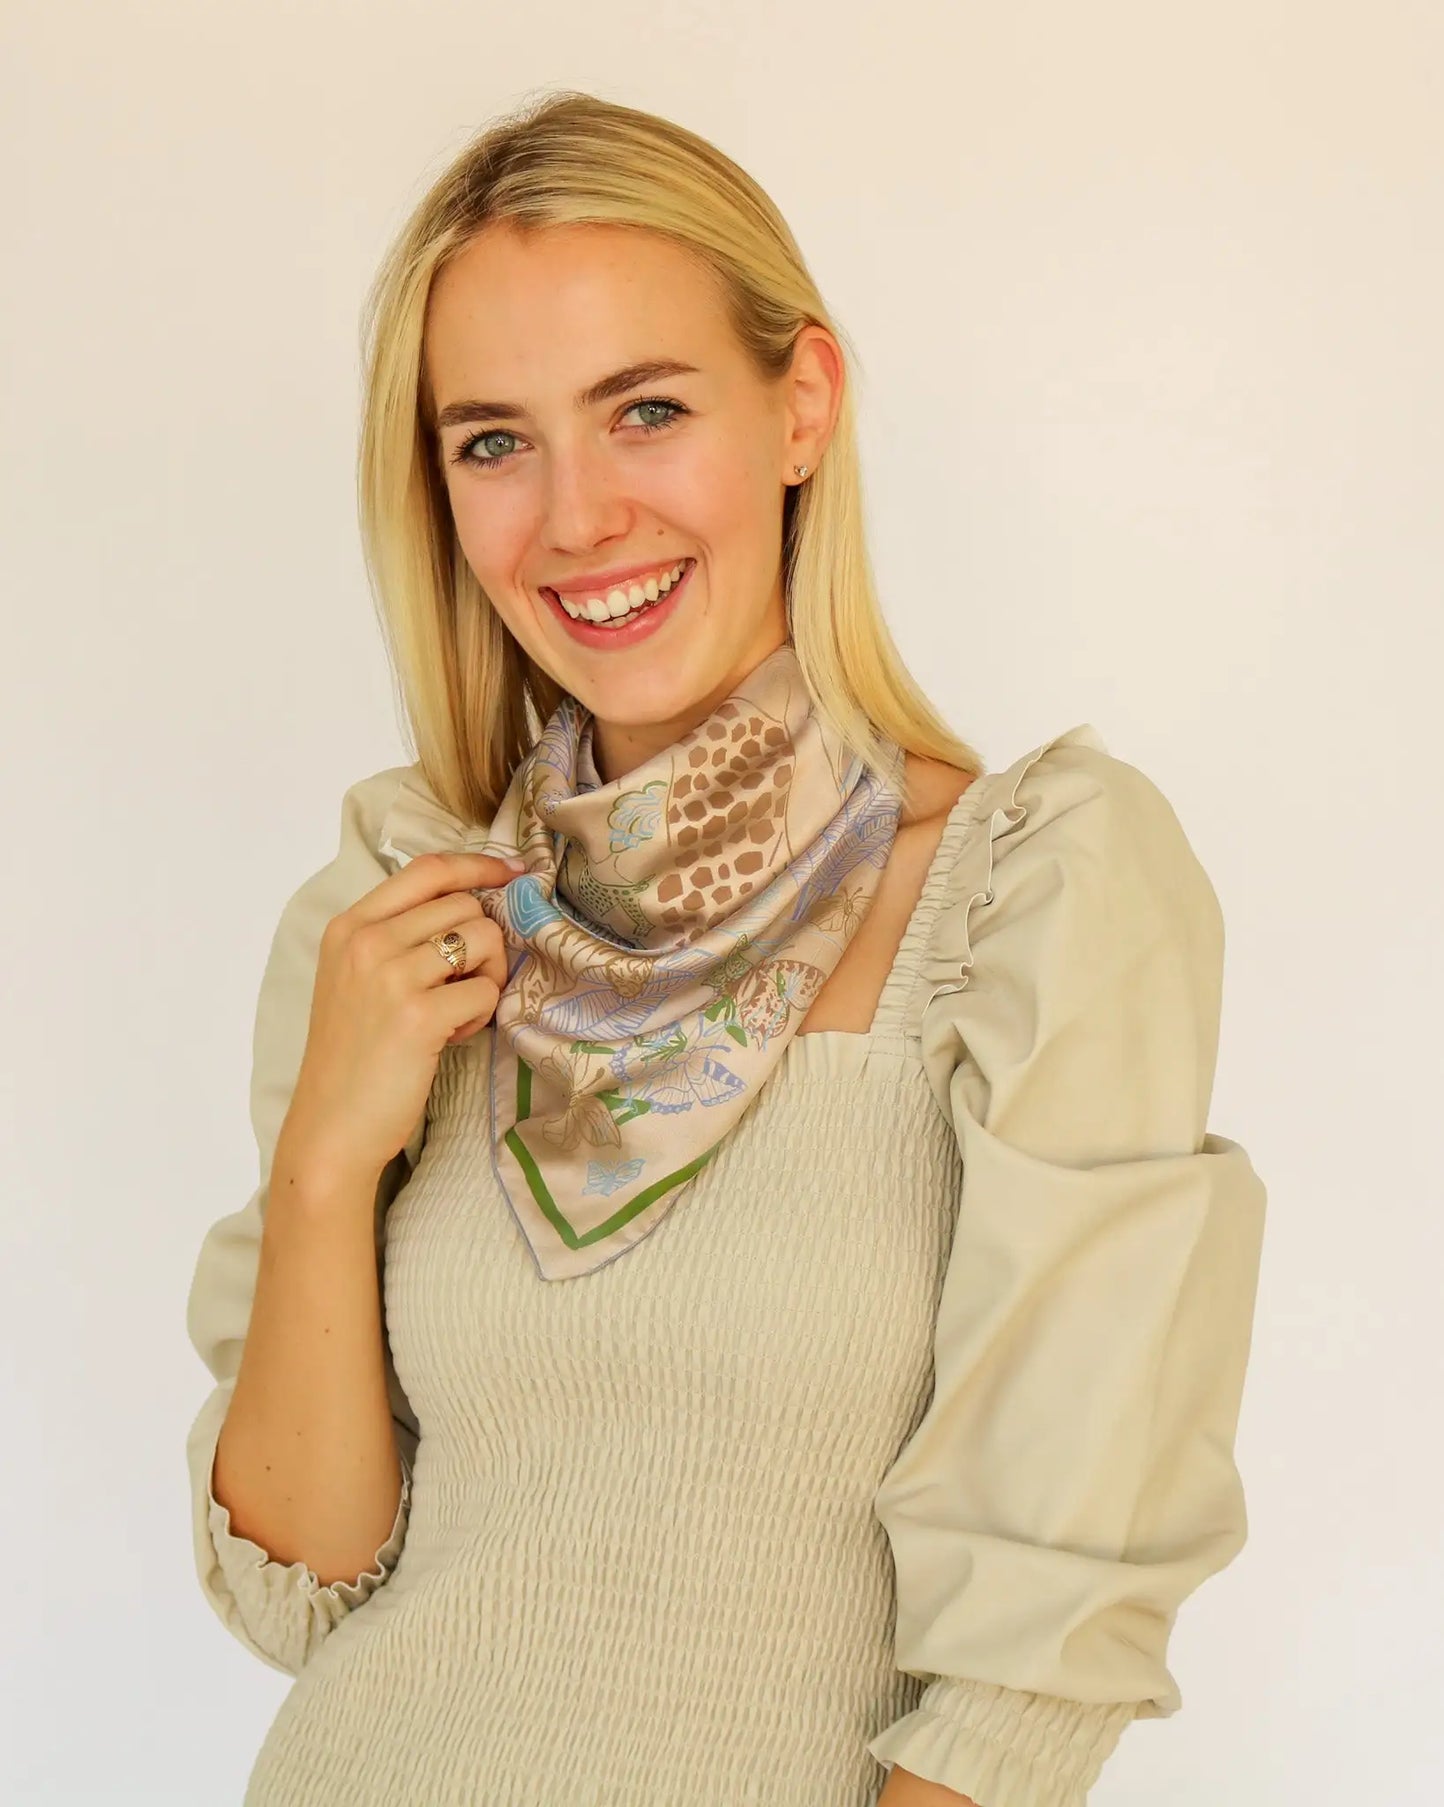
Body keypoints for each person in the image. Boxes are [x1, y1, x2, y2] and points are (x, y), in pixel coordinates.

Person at [184, 90, 1268, 1807]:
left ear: (800, 406)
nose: (576, 518)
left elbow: (1023, 1678)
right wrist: (329, 1160)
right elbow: (300, 1588)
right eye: (494, 442)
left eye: (647, 410)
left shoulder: (1030, 897)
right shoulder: (399, 921)